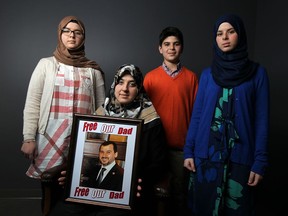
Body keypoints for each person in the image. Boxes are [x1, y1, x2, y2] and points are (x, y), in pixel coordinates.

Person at [52, 64, 168, 216]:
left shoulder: (151, 120)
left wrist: (136, 181)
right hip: (89, 193)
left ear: (139, 88)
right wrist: (73, 175)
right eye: (121, 82)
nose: (124, 89)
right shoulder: (99, 115)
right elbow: (81, 157)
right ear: (115, 85)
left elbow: (159, 164)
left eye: (132, 84)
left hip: (127, 196)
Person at [183, 14, 270, 216]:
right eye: (220, 34)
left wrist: (260, 161)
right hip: (206, 158)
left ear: (240, 35)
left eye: (231, 32)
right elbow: (197, 116)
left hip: (241, 160)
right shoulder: (207, 74)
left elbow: (262, 121)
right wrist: (189, 150)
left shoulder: (258, 74)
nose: (225, 37)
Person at [20, 15, 105, 214]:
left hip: (83, 141)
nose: (72, 35)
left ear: (83, 37)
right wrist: (28, 137)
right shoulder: (46, 65)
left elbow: (101, 110)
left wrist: (100, 142)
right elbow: (32, 103)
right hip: (48, 139)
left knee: (78, 191)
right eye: (67, 31)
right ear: (60, 34)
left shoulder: (93, 70)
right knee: (50, 190)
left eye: (77, 32)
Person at [143, 26, 198, 215]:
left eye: (176, 44)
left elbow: (196, 115)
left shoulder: (191, 78)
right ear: (160, 48)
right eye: (167, 44)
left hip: (181, 149)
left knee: (179, 193)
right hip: (154, 149)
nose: (171, 48)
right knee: (152, 192)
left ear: (181, 48)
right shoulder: (150, 78)